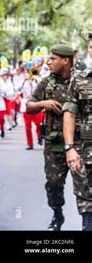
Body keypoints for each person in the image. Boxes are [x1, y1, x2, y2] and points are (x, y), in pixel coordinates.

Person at [26, 44, 75, 230]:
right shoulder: (47, 83)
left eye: (53, 58)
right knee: (53, 183)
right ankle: (57, 214)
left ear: (66, 60)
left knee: (86, 185)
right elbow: (29, 106)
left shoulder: (81, 81)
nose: (49, 62)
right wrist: (42, 104)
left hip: (81, 142)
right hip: (55, 143)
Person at [62, 33, 92, 230]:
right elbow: (70, 114)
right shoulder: (79, 80)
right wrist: (69, 147)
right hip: (87, 152)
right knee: (86, 199)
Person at [19, 69, 43, 150]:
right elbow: (17, 89)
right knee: (27, 127)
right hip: (26, 105)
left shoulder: (38, 81)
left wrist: (35, 80)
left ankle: (39, 136)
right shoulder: (24, 82)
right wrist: (24, 81)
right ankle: (30, 144)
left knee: (38, 124)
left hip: (36, 104)